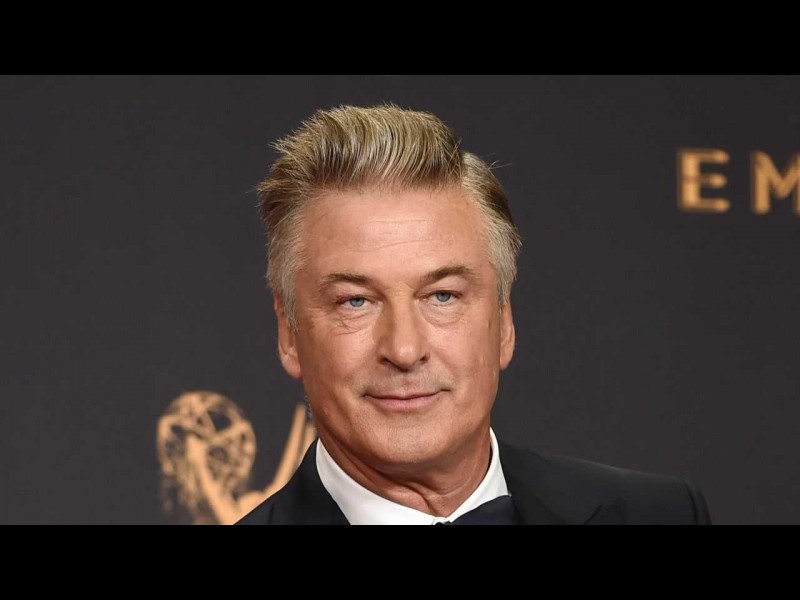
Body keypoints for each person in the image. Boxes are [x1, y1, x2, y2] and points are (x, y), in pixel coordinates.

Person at [236, 103, 712, 525]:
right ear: (289, 333)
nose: (404, 349)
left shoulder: (660, 514)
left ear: (504, 322)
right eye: (355, 301)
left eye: (442, 296)